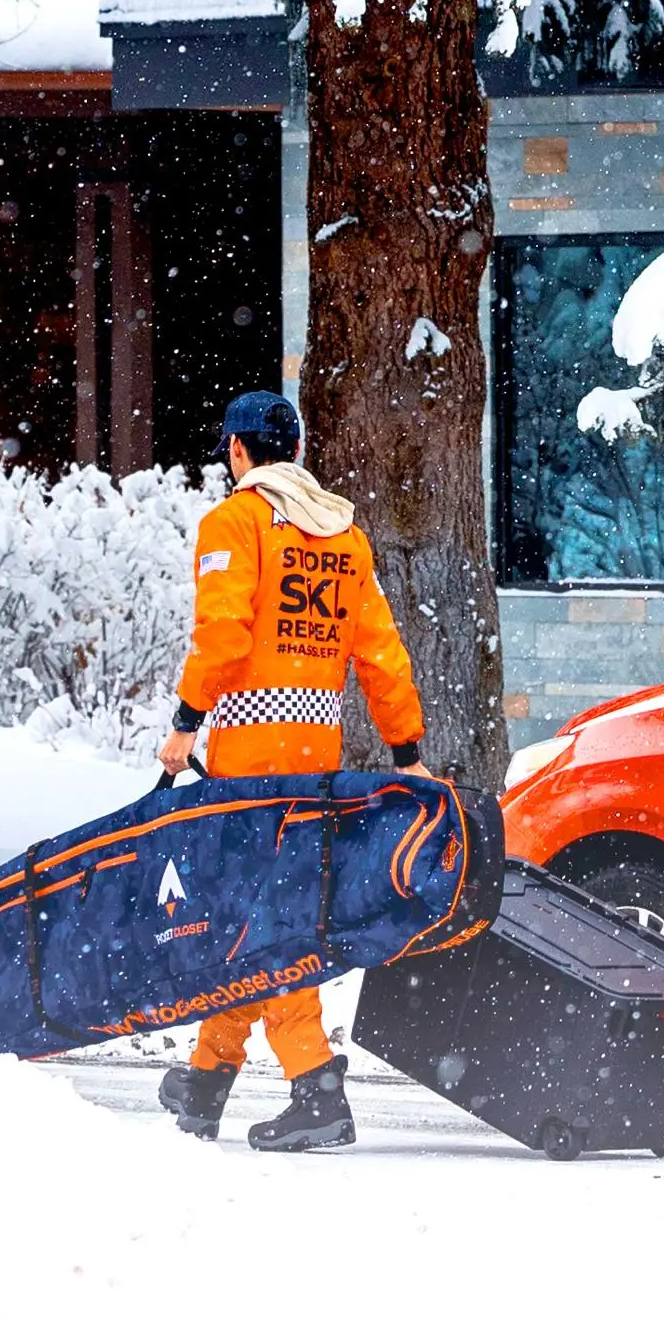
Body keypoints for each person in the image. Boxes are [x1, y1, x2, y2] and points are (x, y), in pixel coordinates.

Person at [153, 387, 428, 1155]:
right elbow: (380, 653)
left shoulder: (233, 521)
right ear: (297, 452)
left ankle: (315, 1086)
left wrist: (184, 723)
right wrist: (405, 748)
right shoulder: (345, 537)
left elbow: (225, 631)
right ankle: (205, 1081)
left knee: (263, 927)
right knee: (256, 917)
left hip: (246, 759)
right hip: (315, 758)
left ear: (237, 452)